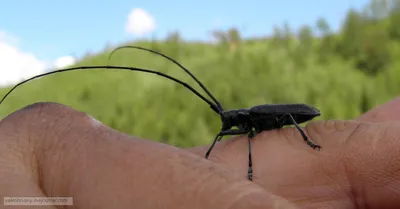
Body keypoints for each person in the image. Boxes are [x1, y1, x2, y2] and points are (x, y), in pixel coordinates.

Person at [0, 97, 399, 209]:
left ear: (240, 117)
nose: (226, 124)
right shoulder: (241, 124)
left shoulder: (258, 119)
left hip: (298, 115)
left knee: (255, 145)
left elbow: (266, 133)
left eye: (229, 120)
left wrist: (311, 141)